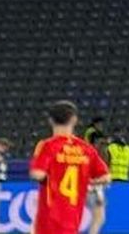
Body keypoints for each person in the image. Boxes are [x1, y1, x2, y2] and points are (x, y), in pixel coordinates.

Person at [30, 100, 109, 234]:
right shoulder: (85, 149)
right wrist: (86, 181)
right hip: (73, 217)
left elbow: (37, 174)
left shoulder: (47, 145)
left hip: (50, 218)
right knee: (99, 215)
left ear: (50, 121)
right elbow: (106, 176)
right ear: (74, 120)